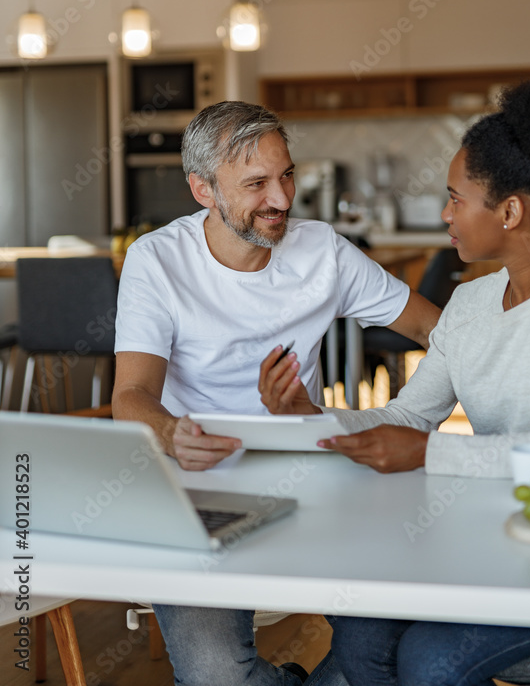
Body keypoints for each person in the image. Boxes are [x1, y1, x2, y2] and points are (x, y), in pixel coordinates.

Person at [258, 78, 530, 686]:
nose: (444, 214)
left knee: (431, 658)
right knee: (363, 621)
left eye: (455, 198)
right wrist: (310, 416)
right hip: (499, 538)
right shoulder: (470, 306)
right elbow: (408, 416)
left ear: (510, 211)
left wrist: (431, 453)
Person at [112, 99, 441, 686]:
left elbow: (432, 330)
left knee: (391, 642)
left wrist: (415, 415)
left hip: (312, 474)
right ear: (203, 189)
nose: (282, 199)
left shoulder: (323, 251)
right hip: (196, 490)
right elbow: (132, 395)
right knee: (216, 677)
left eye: (287, 174)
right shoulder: (156, 261)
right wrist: (171, 432)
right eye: (257, 183)